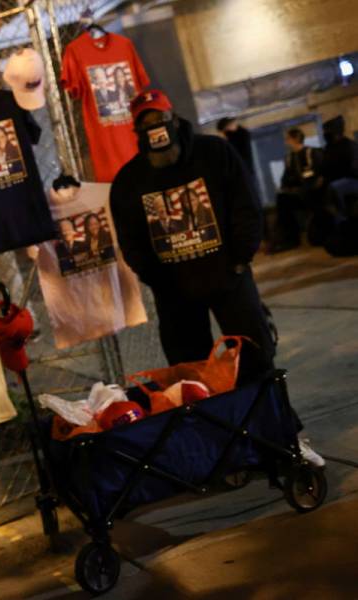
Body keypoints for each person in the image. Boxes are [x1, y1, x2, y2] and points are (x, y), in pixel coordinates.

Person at [111, 90, 323, 467]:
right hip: (175, 290)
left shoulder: (214, 153)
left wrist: (239, 260)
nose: (154, 129)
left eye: (158, 119)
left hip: (228, 276)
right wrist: (157, 279)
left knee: (256, 358)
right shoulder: (129, 181)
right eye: (144, 123)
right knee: (190, 374)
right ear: (135, 131)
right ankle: (220, 451)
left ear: (173, 119)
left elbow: (246, 203)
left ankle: (281, 438)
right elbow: (131, 239)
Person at [273, 127, 324, 252]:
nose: (286, 141)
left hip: (314, 193)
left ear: (295, 139)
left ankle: (320, 232)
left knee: (310, 197)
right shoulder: (289, 158)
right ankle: (290, 239)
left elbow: (320, 173)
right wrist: (287, 188)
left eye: (288, 138)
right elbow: (285, 179)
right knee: (282, 199)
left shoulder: (311, 153)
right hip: (298, 194)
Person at [320, 115, 358, 219]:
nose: (325, 134)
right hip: (334, 181)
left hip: (352, 180)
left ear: (336, 131)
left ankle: (342, 219)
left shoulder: (350, 145)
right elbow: (324, 169)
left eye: (327, 131)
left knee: (334, 187)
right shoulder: (328, 148)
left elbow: (354, 169)